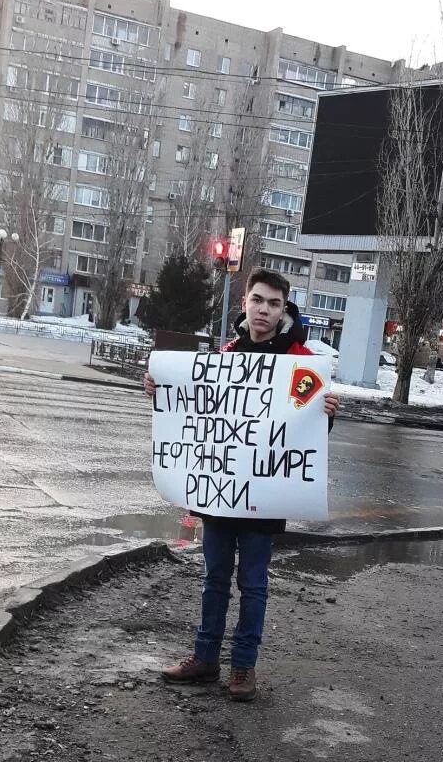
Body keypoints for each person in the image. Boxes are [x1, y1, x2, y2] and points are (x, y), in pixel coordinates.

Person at [143, 268, 339, 702]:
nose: (264, 309)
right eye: (257, 300)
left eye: (273, 303)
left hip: (263, 498)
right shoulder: (226, 355)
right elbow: (198, 412)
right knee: (214, 579)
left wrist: (325, 413)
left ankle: (243, 667)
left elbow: (304, 434)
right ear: (245, 303)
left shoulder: (301, 361)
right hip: (220, 491)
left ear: (283, 309)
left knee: (253, 585)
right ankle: (205, 657)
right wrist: (160, 390)